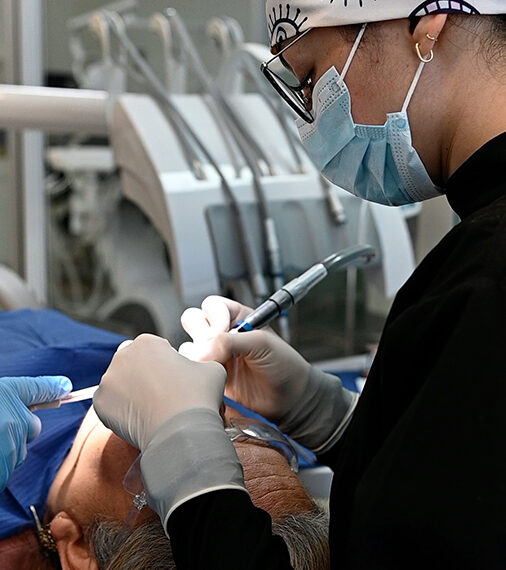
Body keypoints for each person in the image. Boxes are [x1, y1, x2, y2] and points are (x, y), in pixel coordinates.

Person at [94, 2, 506, 569]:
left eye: (313, 78)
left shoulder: (485, 280)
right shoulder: (477, 255)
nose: (312, 118)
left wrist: (190, 469)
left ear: (425, 26)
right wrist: (334, 420)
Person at [0, 309, 329, 570]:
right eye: (244, 435)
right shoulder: (276, 420)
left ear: (78, 549)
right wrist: (326, 411)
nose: (216, 414)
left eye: (178, 455)